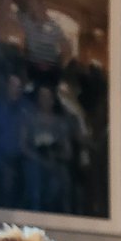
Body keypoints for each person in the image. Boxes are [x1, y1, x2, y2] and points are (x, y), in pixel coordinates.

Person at [20, 84, 72, 212]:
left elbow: (67, 151)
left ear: (53, 99)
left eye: (48, 97)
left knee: (61, 182)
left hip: (55, 162)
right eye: (42, 96)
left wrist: (56, 156)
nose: (45, 100)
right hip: (34, 161)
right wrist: (39, 159)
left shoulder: (60, 123)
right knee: (35, 179)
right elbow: (23, 146)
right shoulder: (29, 119)